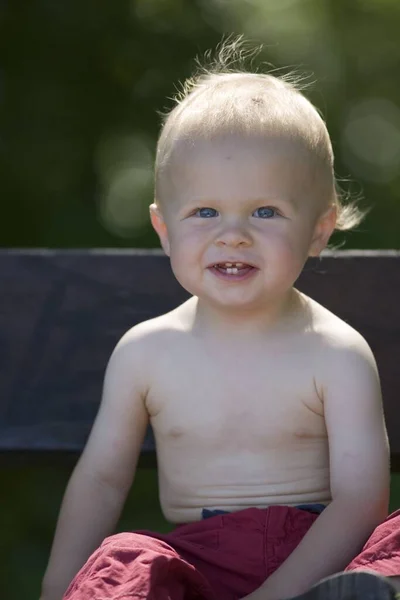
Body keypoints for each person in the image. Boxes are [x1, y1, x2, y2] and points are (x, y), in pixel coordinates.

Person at [40, 38, 400, 600]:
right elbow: (102, 479)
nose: (233, 233)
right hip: (195, 564)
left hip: (324, 558)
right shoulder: (146, 352)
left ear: (318, 231)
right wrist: (59, 587)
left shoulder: (336, 352)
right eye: (204, 212)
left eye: (266, 211)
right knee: (124, 560)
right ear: (164, 230)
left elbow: (360, 502)